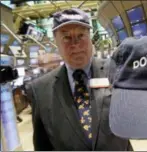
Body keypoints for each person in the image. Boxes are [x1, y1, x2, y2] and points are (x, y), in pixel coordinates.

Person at [27, 8, 132, 151]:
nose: (75, 44)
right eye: (66, 38)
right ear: (56, 42)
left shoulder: (116, 72)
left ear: (90, 38)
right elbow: (42, 145)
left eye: (81, 35)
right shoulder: (40, 90)